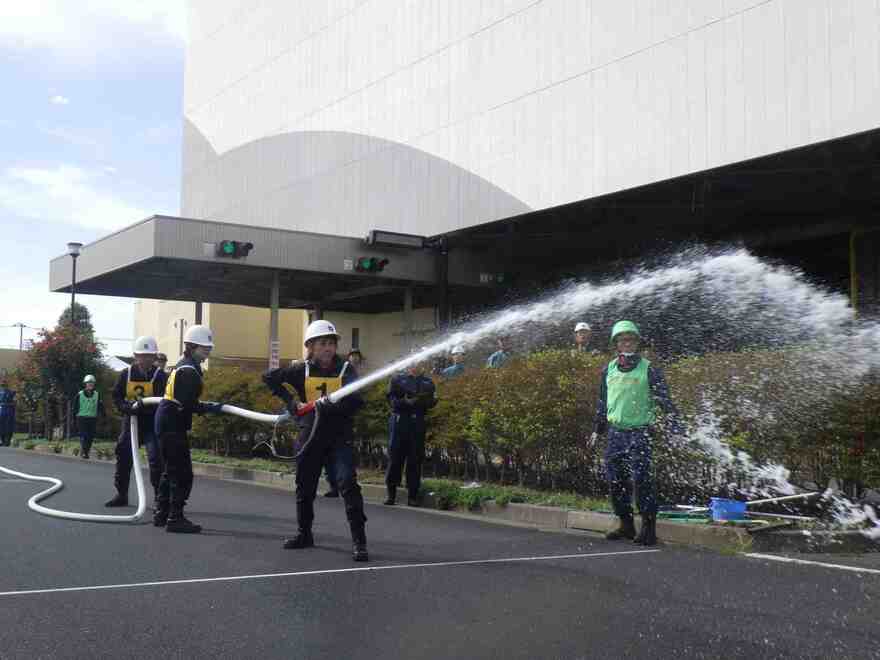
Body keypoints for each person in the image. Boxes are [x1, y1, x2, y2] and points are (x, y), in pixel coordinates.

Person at [263, 320, 368, 561]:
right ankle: (304, 534)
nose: (328, 348)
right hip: (310, 436)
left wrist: (331, 405)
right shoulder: (301, 369)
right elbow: (269, 377)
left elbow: (357, 401)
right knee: (304, 485)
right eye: (322, 343)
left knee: (348, 484)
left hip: (339, 437)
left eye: (331, 343)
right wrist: (292, 403)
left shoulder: (346, 369)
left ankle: (359, 542)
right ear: (310, 346)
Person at [590, 320, 684, 546]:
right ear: (616, 344)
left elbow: (664, 400)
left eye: (631, 339)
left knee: (642, 480)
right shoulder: (609, 369)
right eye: (623, 340)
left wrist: (676, 426)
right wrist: (597, 430)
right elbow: (603, 401)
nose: (627, 343)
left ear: (637, 342)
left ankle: (649, 529)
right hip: (615, 433)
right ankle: (626, 525)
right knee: (616, 480)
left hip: (640, 432)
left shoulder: (649, 369)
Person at [154, 325, 225, 533]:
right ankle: (175, 518)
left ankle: (162, 513)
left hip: (168, 421)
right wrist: (211, 408)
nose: (208, 350)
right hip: (172, 424)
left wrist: (205, 406)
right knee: (182, 474)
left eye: (209, 347)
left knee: (170, 471)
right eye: (204, 347)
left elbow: (185, 400)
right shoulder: (188, 370)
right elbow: (188, 403)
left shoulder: (185, 365)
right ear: (192, 347)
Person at [105, 337, 168, 509]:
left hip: (151, 423)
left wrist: (145, 408)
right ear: (135, 356)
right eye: (142, 355)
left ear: (154, 356)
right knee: (123, 455)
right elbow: (116, 396)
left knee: (156, 459)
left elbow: (164, 401)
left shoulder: (160, 376)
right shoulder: (126, 374)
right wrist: (126, 408)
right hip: (131, 422)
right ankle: (121, 494)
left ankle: (160, 498)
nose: (146, 359)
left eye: (150, 356)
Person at [385, 356, 437, 506]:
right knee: (395, 457)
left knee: (415, 459)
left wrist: (423, 401)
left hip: (417, 422)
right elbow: (391, 400)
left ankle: (412, 495)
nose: (416, 365)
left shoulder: (428, 382)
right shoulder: (397, 380)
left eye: (419, 362)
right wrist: (404, 402)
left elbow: (433, 401)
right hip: (400, 421)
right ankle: (391, 494)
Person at [73, 375, 105, 459]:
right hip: (81, 418)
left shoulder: (97, 394)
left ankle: (86, 451)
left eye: (92, 383)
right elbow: (75, 407)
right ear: (85, 384)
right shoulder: (79, 394)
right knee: (84, 435)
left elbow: (100, 405)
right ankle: (84, 452)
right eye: (88, 383)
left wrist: (103, 415)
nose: (90, 384)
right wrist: (74, 418)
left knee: (90, 436)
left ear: (94, 384)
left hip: (92, 418)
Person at [0, 380, 15, 446]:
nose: (3, 386)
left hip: (9, 410)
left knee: (8, 425)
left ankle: (7, 441)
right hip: (2, 409)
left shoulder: (11, 392)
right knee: (1, 425)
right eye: (2, 385)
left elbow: (14, 402)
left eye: (4, 385)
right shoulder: (0, 392)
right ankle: (2, 440)